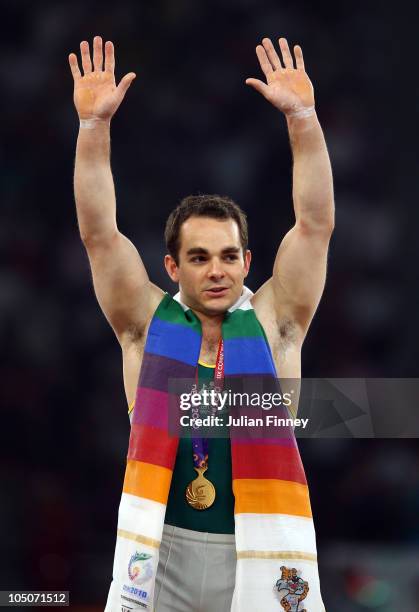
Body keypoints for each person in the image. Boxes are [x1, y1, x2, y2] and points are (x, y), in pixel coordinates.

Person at [69, 33, 334, 612]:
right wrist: (93, 132)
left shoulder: (274, 324)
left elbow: (314, 226)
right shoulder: (145, 324)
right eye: (198, 257)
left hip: (258, 547)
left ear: (247, 261)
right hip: (159, 550)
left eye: (228, 256)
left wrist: (304, 121)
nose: (217, 271)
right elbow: (98, 235)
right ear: (172, 266)